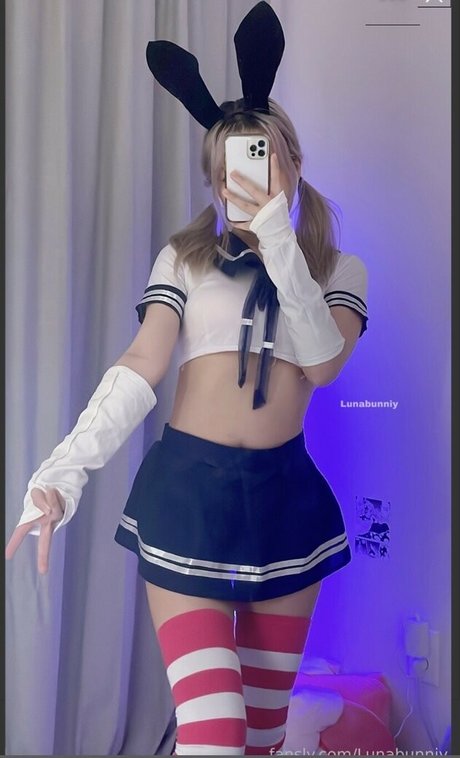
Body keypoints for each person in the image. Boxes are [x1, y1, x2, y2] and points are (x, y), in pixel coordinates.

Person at [5, 3, 368, 755]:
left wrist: (276, 237)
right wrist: (65, 470)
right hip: (188, 497)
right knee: (213, 733)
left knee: (263, 736)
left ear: (292, 161)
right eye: (227, 169)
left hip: (286, 503)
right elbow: (143, 363)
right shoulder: (185, 257)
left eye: (259, 159)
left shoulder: (340, 269)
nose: (242, 181)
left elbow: (322, 362)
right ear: (212, 178)